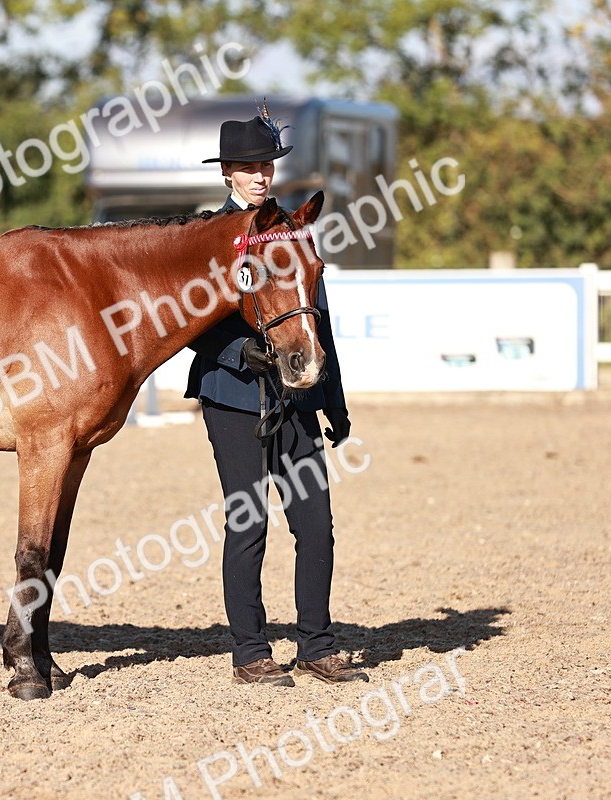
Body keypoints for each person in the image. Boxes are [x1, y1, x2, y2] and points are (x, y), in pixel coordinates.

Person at [185, 101, 367, 686]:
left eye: (266, 166)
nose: (260, 176)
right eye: (248, 167)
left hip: (297, 400)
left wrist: (334, 402)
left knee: (316, 525)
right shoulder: (207, 237)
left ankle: (316, 645)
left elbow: (318, 321)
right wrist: (241, 352)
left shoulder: (294, 232)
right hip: (233, 397)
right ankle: (250, 651)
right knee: (249, 525)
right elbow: (189, 322)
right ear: (227, 173)